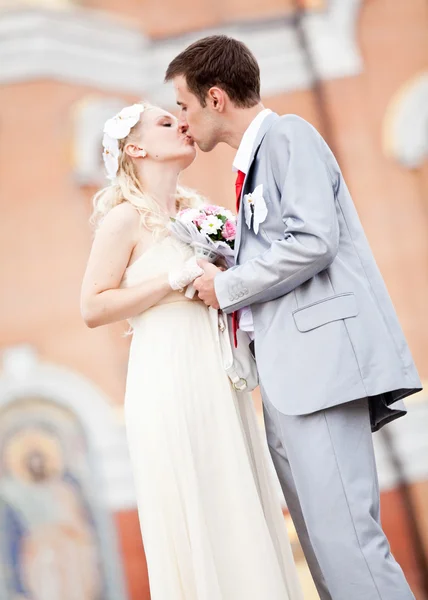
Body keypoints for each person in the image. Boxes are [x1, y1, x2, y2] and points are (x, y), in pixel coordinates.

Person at [165, 35, 423, 600]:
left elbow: (313, 240)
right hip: (290, 377)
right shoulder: (255, 161)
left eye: (182, 107)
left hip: (320, 372)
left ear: (214, 97)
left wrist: (226, 284)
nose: (180, 123)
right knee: (323, 546)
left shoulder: (288, 136)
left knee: (347, 542)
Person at [80, 101, 303, 600]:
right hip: (168, 376)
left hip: (217, 372)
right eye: (166, 122)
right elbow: (92, 306)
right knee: (195, 497)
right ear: (134, 148)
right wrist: (170, 279)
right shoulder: (124, 220)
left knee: (234, 492)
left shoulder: (200, 215)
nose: (182, 124)